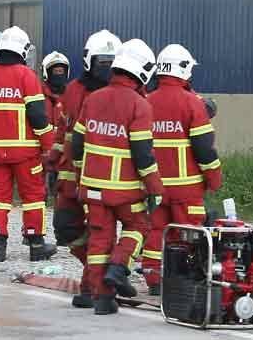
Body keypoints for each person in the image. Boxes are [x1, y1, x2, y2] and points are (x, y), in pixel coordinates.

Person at [73, 38, 163, 315]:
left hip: (93, 188)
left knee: (100, 239)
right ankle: (119, 267)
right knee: (139, 227)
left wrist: (81, 173)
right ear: (143, 70)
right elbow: (143, 154)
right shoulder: (139, 104)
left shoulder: (93, 98)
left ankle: (103, 299)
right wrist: (155, 188)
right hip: (125, 189)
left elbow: (76, 143)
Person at [0, 26, 57, 262]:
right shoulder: (26, 76)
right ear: (24, 50)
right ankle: (36, 245)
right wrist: (47, 144)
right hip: (24, 152)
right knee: (33, 196)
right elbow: (38, 116)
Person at [141, 44, 222, 296]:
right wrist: (214, 177)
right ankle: (183, 279)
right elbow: (205, 149)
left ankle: (154, 280)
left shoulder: (145, 102)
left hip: (154, 185)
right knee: (188, 232)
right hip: (187, 189)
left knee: (155, 232)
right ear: (184, 69)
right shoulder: (192, 103)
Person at [53, 29, 121, 308]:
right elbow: (63, 130)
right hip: (71, 176)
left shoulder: (125, 92)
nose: (105, 68)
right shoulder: (74, 90)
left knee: (100, 232)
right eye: (101, 62)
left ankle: (93, 286)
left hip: (103, 178)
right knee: (65, 227)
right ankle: (100, 275)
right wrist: (52, 162)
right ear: (88, 61)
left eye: (110, 63)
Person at [41, 51, 70, 196]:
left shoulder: (71, 96)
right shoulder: (38, 96)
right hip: (42, 153)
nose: (59, 75)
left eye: (61, 71)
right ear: (47, 73)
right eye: (55, 71)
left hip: (64, 155)